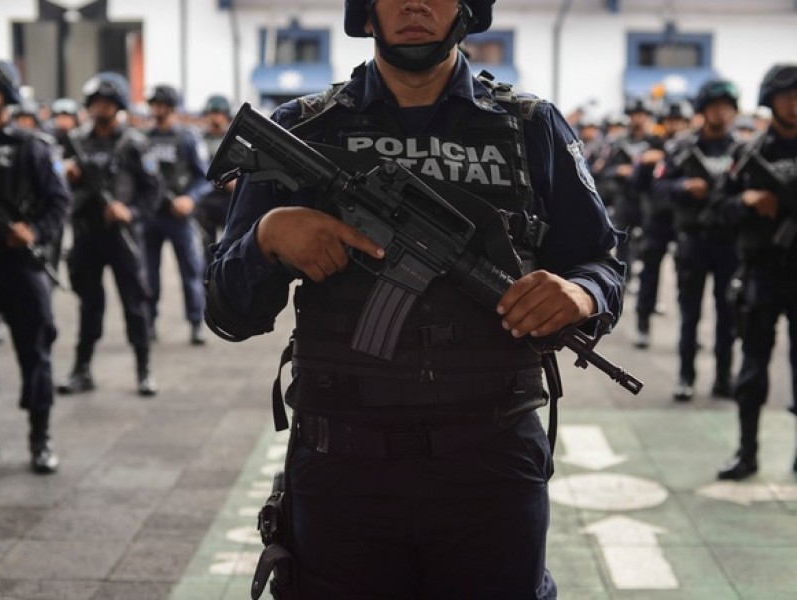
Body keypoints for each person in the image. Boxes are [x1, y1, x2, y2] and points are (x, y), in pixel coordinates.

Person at [204, 1, 624, 598]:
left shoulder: (530, 126)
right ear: (367, 10)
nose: (416, 3)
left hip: (491, 463)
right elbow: (227, 311)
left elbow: (601, 259)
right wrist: (269, 239)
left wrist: (580, 294)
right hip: (341, 464)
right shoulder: (304, 128)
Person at [56, 72, 161, 397]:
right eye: (95, 103)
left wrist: (130, 212)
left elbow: (152, 189)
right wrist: (68, 175)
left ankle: (143, 370)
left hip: (122, 235)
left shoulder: (134, 143)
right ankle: (81, 369)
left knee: (135, 305)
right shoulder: (76, 140)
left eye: (107, 103)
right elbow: (56, 186)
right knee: (89, 306)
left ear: (117, 106)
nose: (100, 108)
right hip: (87, 235)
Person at [716, 64, 797, 480]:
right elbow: (717, 209)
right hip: (762, 273)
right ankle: (747, 452)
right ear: (771, 100)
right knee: (752, 369)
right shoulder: (749, 154)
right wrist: (747, 200)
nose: (795, 105)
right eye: (788, 97)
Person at [0, 59, 70, 473]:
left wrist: (34, 231)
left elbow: (58, 201)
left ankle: (39, 437)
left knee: (36, 353)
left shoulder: (31, 146)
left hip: (20, 265)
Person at [653, 80, 741, 401]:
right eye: (715, 105)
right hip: (692, 242)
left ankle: (723, 378)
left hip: (730, 244)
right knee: (689, 314)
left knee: (728, 315)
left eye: (727, 106)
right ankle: (686, 376)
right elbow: (658, 189)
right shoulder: (682, 149)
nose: (721, 112)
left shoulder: (742, 151)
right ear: (703, 110)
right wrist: (683, 187)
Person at [143, 84, 212, 345]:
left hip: (178, 216)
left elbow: (204, 177)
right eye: (153, 104)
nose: (155, 108)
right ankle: (148, 321)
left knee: (190, 270)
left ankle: (196, 322)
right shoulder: (142, 138)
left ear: (171, 107)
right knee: (148, 273)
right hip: (151, 215)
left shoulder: (187, 138)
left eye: (160, 104)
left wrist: (189, 199)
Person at [631, 99, 692, 348]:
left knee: (686, 278)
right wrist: (645, 164)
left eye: (679, 122)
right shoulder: (651, 146)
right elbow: (636, 184)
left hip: (683, 221)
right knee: (649, 274)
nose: (675, 126)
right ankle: (643, 324)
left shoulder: (692, 148)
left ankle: (687, 334)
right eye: (671, 121)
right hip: (656, 220)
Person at [599, 97, 665, 295]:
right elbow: (604, 171)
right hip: (624, 198)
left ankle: (644, 284)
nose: (639, 119)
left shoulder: (655, 141)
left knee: (647, 244)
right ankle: (623, 280)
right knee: (623, 242)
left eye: (642, 115)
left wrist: (654, 162)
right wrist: (620, 170)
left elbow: (667, 168)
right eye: (635, 115)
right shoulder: (618, 142)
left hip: (646, 198)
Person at [195, 94, 236, 267]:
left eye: (219, 113)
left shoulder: (235, 139)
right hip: (207, 200)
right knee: (206, 251)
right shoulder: (199, 140)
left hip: (230, 200)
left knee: (232, 248)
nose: (215, 117)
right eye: (212, 112)